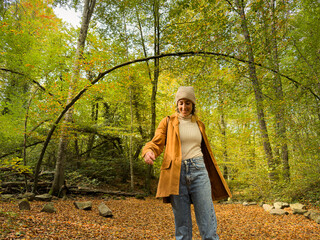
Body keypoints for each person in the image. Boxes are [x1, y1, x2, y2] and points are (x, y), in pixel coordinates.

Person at [142, 86, 232, 240]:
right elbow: (156, 142)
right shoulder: (168, 121)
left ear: (193, 105)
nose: (184, 107)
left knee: (207, 220)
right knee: (182, 224)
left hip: (199, 170)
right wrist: (149, 151)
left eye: (188, 103)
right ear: (177, 104)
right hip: (176, 174)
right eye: (181, 103)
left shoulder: (200, 125)